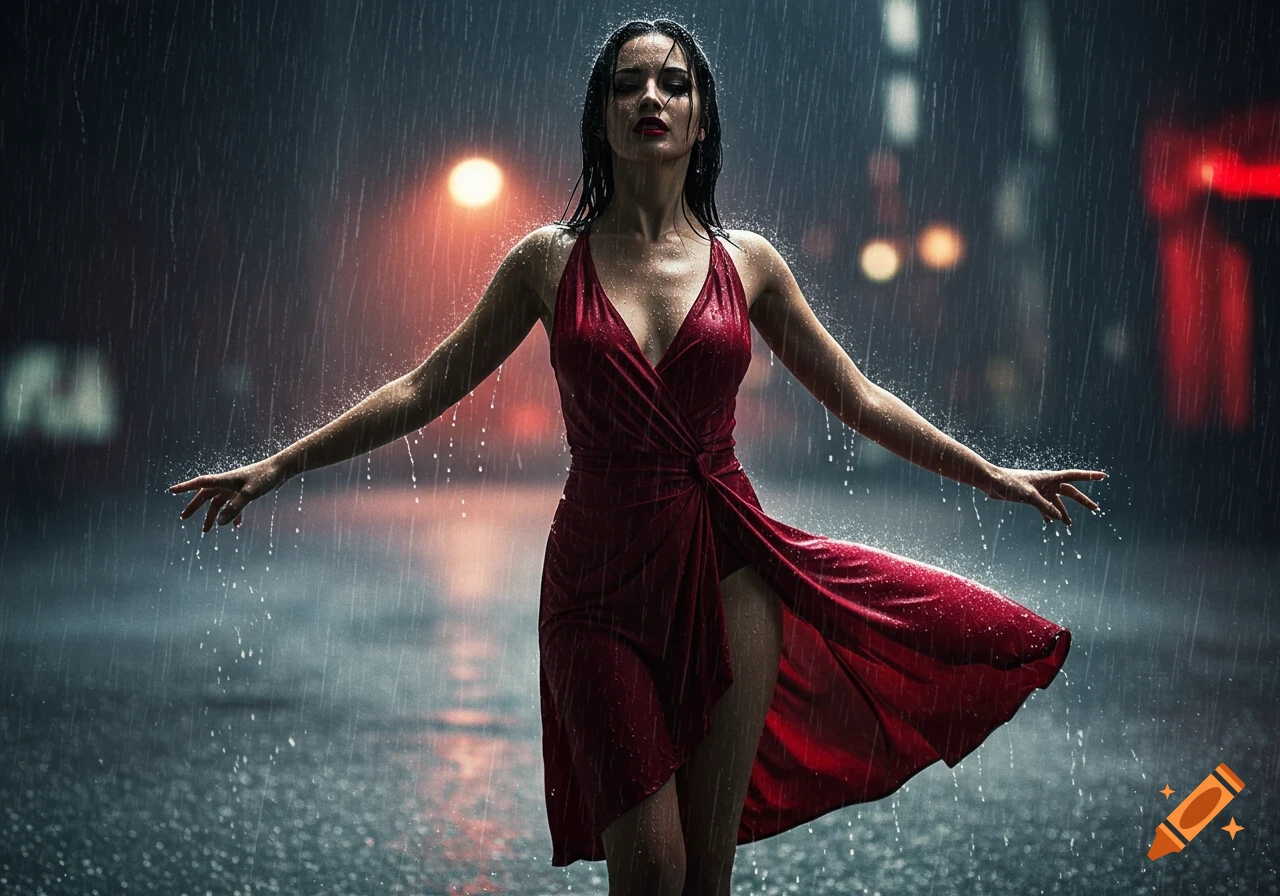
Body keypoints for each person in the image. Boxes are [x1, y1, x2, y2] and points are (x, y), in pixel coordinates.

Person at [170, 19, 1105, 896]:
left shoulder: (752, 264)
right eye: (628, 85)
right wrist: (278, 465)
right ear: (603, 118)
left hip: (731, 570)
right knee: (650, 874)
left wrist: (991, 473)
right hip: (594, 584)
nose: (650, 97)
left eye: (673, 83)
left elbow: (858, 398)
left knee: (706, 875)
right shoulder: (547, 259)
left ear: (701, 119)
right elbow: (421, 389)